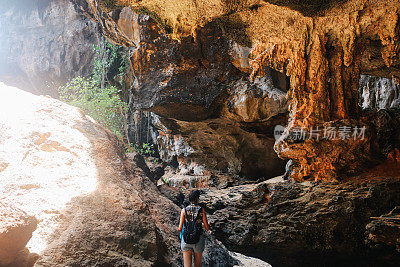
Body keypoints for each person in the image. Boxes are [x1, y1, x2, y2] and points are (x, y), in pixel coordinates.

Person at [178, 190, 210, 267]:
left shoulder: (184, 210)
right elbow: (206, 226)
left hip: (186, 239)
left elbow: (180, 228)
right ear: (197, 199)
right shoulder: (201, 210)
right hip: (198, 239)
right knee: (197, 265)